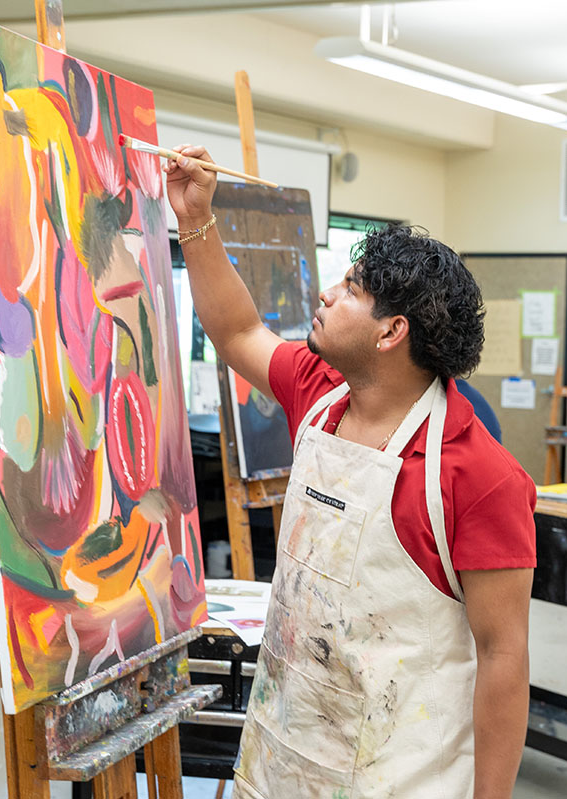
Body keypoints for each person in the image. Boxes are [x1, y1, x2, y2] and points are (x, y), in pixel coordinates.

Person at [164, 146, 536, 799]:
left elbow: (503, 657)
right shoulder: (320, 392)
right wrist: (196, 220)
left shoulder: (477, 475)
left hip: (396, 778)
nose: (327, 294)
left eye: (351, 290)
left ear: (391, 331)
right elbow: (237, 331)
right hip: (284, 756)